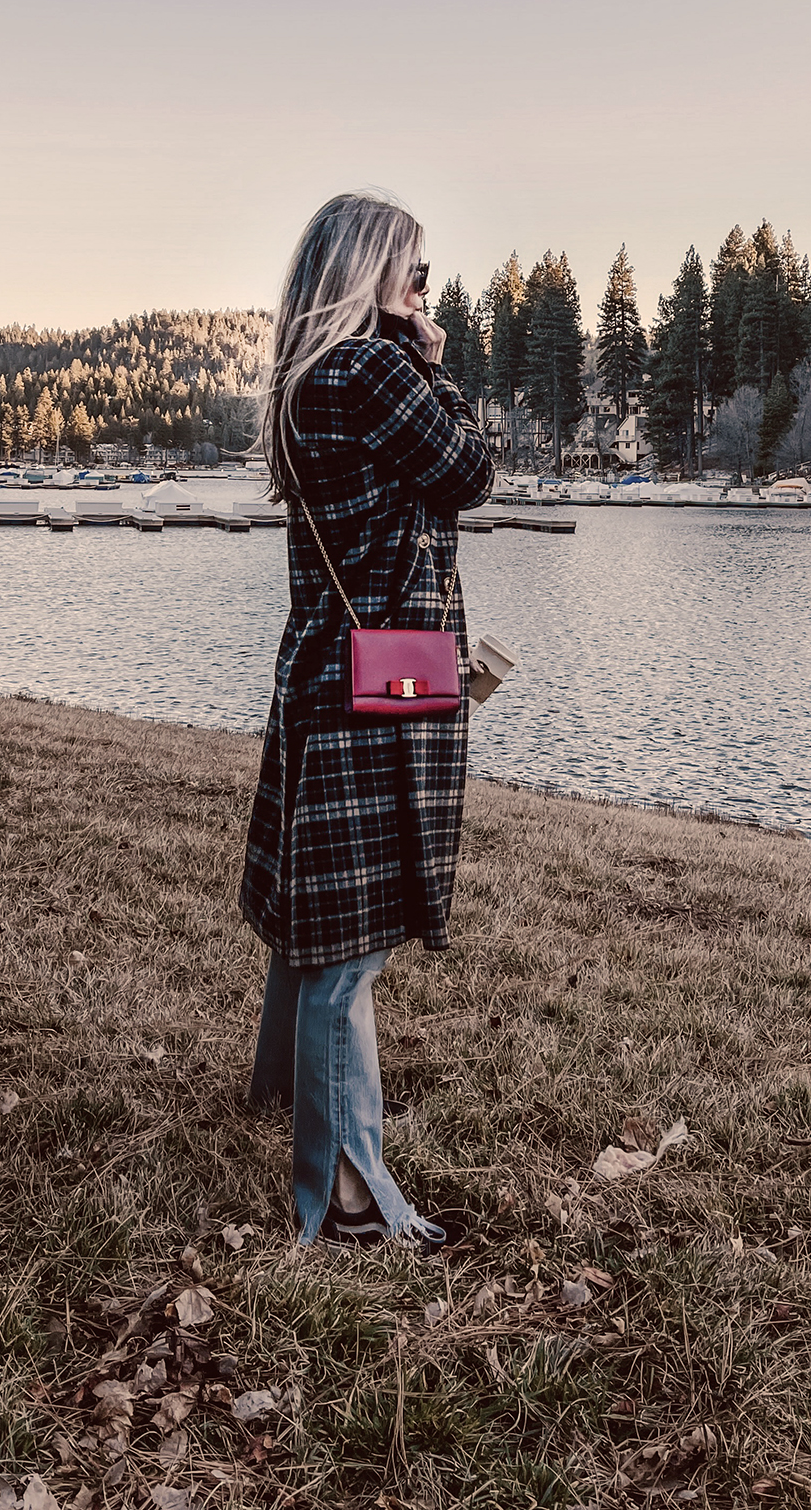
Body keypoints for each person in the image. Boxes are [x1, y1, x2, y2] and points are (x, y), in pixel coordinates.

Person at [240, 191, 495, 1247]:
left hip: (324, 666)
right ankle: (345, 1196)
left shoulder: (309, 378)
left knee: (314, 914)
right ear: (373, 272)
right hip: (379, 683)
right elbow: (470, 471)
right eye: (417, 271)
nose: (426, 290)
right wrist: (432, 358)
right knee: (349, 947)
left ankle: (277, 1096)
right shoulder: (379, 368)